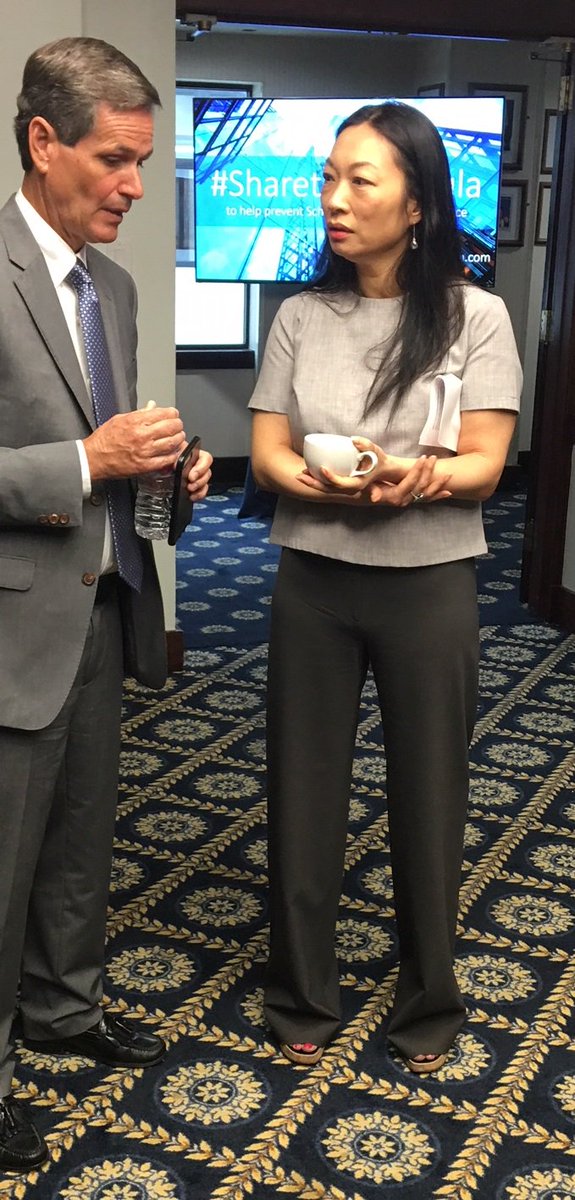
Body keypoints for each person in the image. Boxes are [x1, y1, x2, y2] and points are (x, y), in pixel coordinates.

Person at [250, 102, 521, 1074]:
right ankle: (299, 1000)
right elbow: (268, 450)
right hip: (312, 583)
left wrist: (422, 479)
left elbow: (485, 460)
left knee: (428, 798)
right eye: (326, 178)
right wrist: (314, 481)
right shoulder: (297, 314)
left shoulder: (472, 314)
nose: (333, 198)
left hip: (430, 584)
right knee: (303, 796)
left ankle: (427, 1009)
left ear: (416, 201)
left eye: (358, 179)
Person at [0, 37, 212, 1173]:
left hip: (105, 601)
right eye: (116, 160)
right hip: (10, 619)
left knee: (83, 831)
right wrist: (86, 463)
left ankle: (64, 1009)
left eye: (145, 161)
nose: (137, 186)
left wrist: (160, 471)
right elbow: (65, 455)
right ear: (43, 143)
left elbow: (107, 439)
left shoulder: (116, 285)